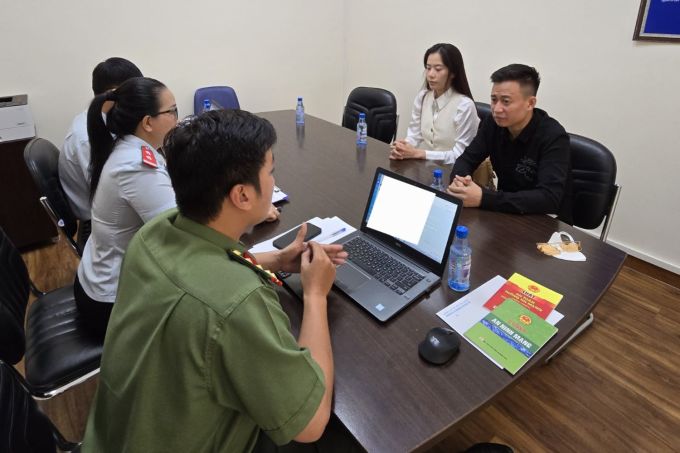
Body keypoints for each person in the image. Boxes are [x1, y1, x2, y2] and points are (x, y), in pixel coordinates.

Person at [80, 109, 349, 453]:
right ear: (242, 195)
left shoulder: (154, 233)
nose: (273, 179)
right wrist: (314, 295)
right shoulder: (237, 302)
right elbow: (309, 425)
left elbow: (200, 263)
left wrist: (277, 260)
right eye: (271, 172)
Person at [447, 64, 572, 223]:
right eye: (494, 100)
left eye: (506, 101)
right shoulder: (493, 124)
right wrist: (460, 183)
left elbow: (548, 198)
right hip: (505, 211)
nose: (497, 109)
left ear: (530, 103)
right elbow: (466, 159)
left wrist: (484, 198)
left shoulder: (553, 136)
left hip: (548, 224)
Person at [59, 57, 142, 223]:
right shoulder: (86, 138)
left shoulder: (100, 119)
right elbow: (109, 191)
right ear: (114, 93)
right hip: (100, 222)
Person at [390, 43, 480, 165]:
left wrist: (420, 153)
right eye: (428, 68)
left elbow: (460, 154)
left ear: (453, 73)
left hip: (455, 174)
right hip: (425, 169)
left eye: (438, 69)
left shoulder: (464, 106)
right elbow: (414, 135)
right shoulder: (422, 97)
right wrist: (404, 147)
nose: (431, 74)